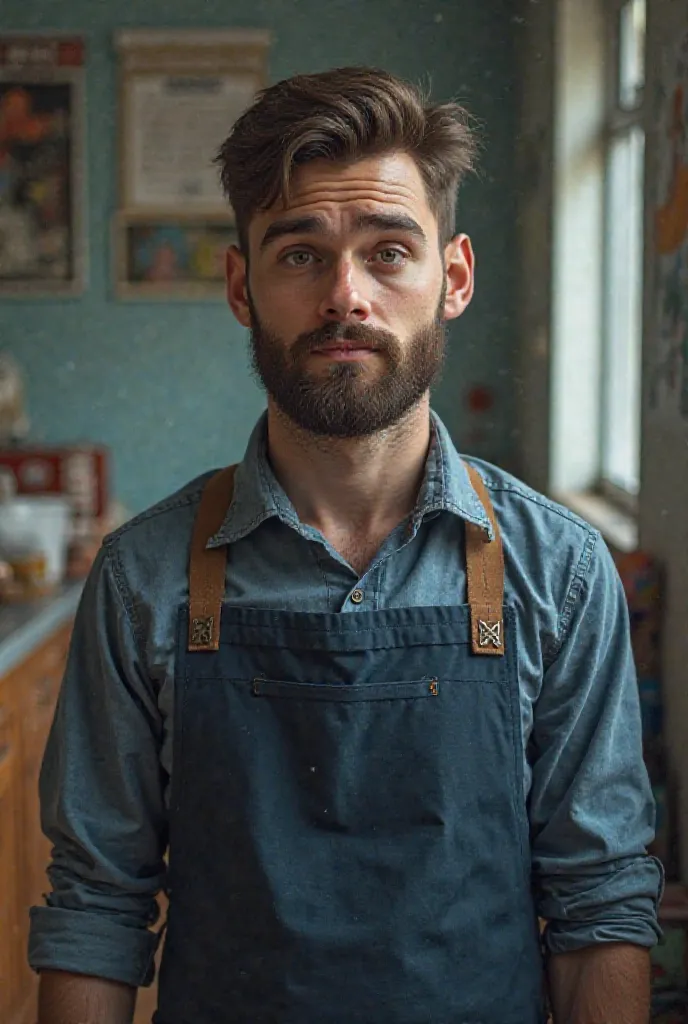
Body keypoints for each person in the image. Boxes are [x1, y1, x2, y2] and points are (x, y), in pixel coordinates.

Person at [30, 67, 663, 1024]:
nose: (345, 296)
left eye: (388, 251)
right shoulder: (143, 580)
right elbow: (94, 908)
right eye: (300, 255)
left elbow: (599, 903)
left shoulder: (559, 573)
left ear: (452, 278)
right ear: (241, 285)